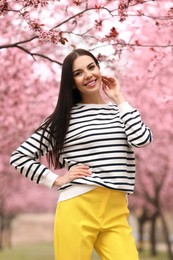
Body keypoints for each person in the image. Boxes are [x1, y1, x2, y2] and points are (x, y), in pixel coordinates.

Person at [10, 48, 152, 260]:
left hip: (117, 209)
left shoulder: (120, 111)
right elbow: (19, 157)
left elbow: (142, 140)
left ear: (99, 69)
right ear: (71, 82)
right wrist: (57, 179)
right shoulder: (63, 120)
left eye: (91, 67)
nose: (88, 75)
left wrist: (119, 98)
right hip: (78, 205)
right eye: (78, 73)